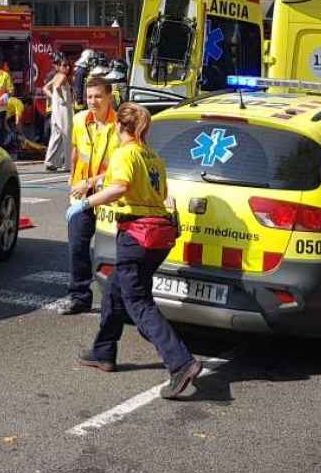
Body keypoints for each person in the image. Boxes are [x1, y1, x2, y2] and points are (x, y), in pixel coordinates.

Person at [70, 103, 202, 400]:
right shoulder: (153, 157)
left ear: (120, 127)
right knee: (116, 289)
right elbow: (161, 194)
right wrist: (92, 183)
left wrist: (85, 204)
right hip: (158, 236)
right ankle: (103, 351)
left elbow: (119, 188)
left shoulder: (124, 153)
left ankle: (181, 364)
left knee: (138, 300)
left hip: (136, 235)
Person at [60, 75, 117, 315]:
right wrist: (72, 180)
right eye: (89, 97)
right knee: (77, 246)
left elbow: (120, 167)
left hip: (110, 196)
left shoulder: (121, 125)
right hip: (82, 195)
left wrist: (90, 182)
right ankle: (79, 296)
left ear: (109, 98)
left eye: (98, 97)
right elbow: (75, 151)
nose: (93, 102)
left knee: (114, 251)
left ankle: (117, 301)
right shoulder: (80, 119)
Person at [42, 60, 73, 172]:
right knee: (66, 134)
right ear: (59, 67)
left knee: (56, 135)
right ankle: (68, 164)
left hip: (56, 109)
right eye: (64, 65)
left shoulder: (56, 76)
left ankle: (51, 161)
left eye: (68, 65)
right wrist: (62, 98)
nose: (67, 67)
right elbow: (59, 87)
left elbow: (45, 88)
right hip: (63, 109)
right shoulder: (63, 76)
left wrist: (53, 98)